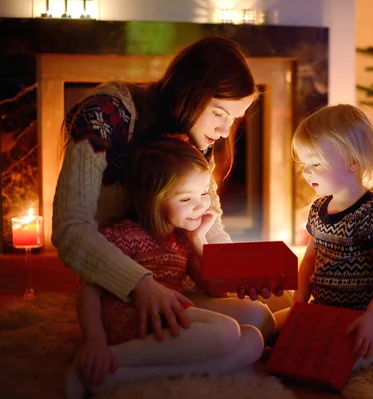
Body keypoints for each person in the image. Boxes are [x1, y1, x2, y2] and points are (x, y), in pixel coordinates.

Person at [52, 36, 285, 343]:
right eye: (219, 113)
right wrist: (141, 284)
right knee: (241, 330)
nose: (225, 130)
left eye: (234, 119)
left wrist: (240, 273)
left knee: (265, 314)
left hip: (177, 278)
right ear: (190, 92)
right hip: (120, 285)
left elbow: (209, 224)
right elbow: (70, 229)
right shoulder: (106, 114)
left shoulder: (196, 137)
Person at [66, 138, 264, 397]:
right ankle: (101, 359)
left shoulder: (181, 239)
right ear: (154, 199)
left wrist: (198, 240)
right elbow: (89, 292)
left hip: (171, 318)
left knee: (253, 341)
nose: (200, 205)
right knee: (227, 331)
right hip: (136, 320)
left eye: (203, 193)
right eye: (185, 198)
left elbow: (214, 289)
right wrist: (95, 342)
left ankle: (124, 375)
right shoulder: (122, 235)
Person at [274, 104, 373, 359]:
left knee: (323, 355)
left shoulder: (372, 217)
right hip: (321, 308)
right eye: (304, 163)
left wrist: (372, 317)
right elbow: (309, 259)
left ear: (353, 161)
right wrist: (299, 303)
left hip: (358, 316)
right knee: (271, 327)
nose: (306, 171)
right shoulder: (318, 208)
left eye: (316, 163)